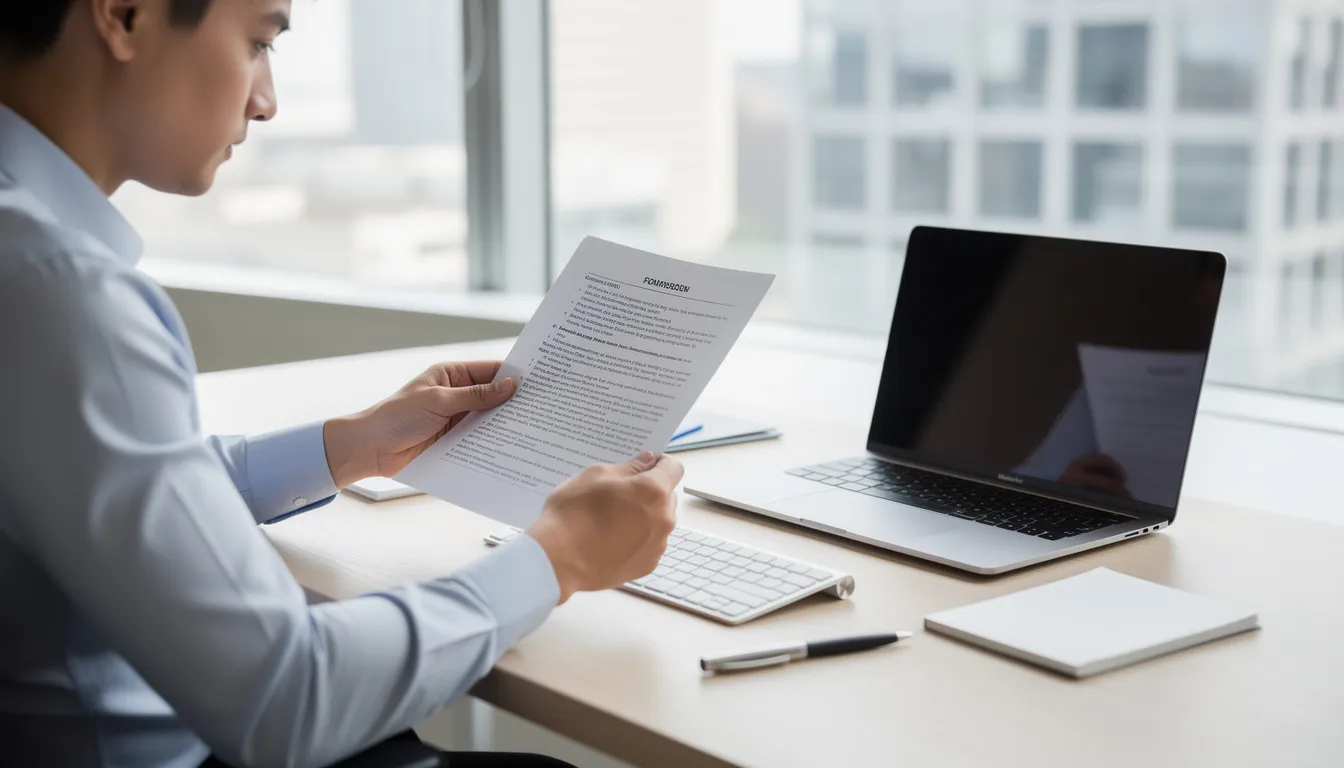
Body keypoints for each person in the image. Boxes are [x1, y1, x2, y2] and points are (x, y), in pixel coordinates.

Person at [0, 1, 684, 766]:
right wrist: (559, 558)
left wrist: (349, 447)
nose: (266, 100)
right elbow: (284, 701)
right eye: (258, 41)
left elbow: (100, 493)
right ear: (125, 15)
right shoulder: (55, 293)